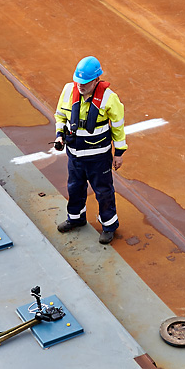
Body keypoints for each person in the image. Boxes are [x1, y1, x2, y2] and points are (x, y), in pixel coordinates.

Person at [53, 55, 127, 244]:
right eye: (78, 81)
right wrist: (59, 135)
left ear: (96, 80)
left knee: (104, 192)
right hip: (75, 156)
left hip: (98, 158)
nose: (80, 85)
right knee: (74, 188)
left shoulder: (110, 99)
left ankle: (109, 226)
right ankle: (76, 218)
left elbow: (118, 127)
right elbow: (60, 115)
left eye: (85, 82)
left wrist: (118, 154)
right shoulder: (69, 90)